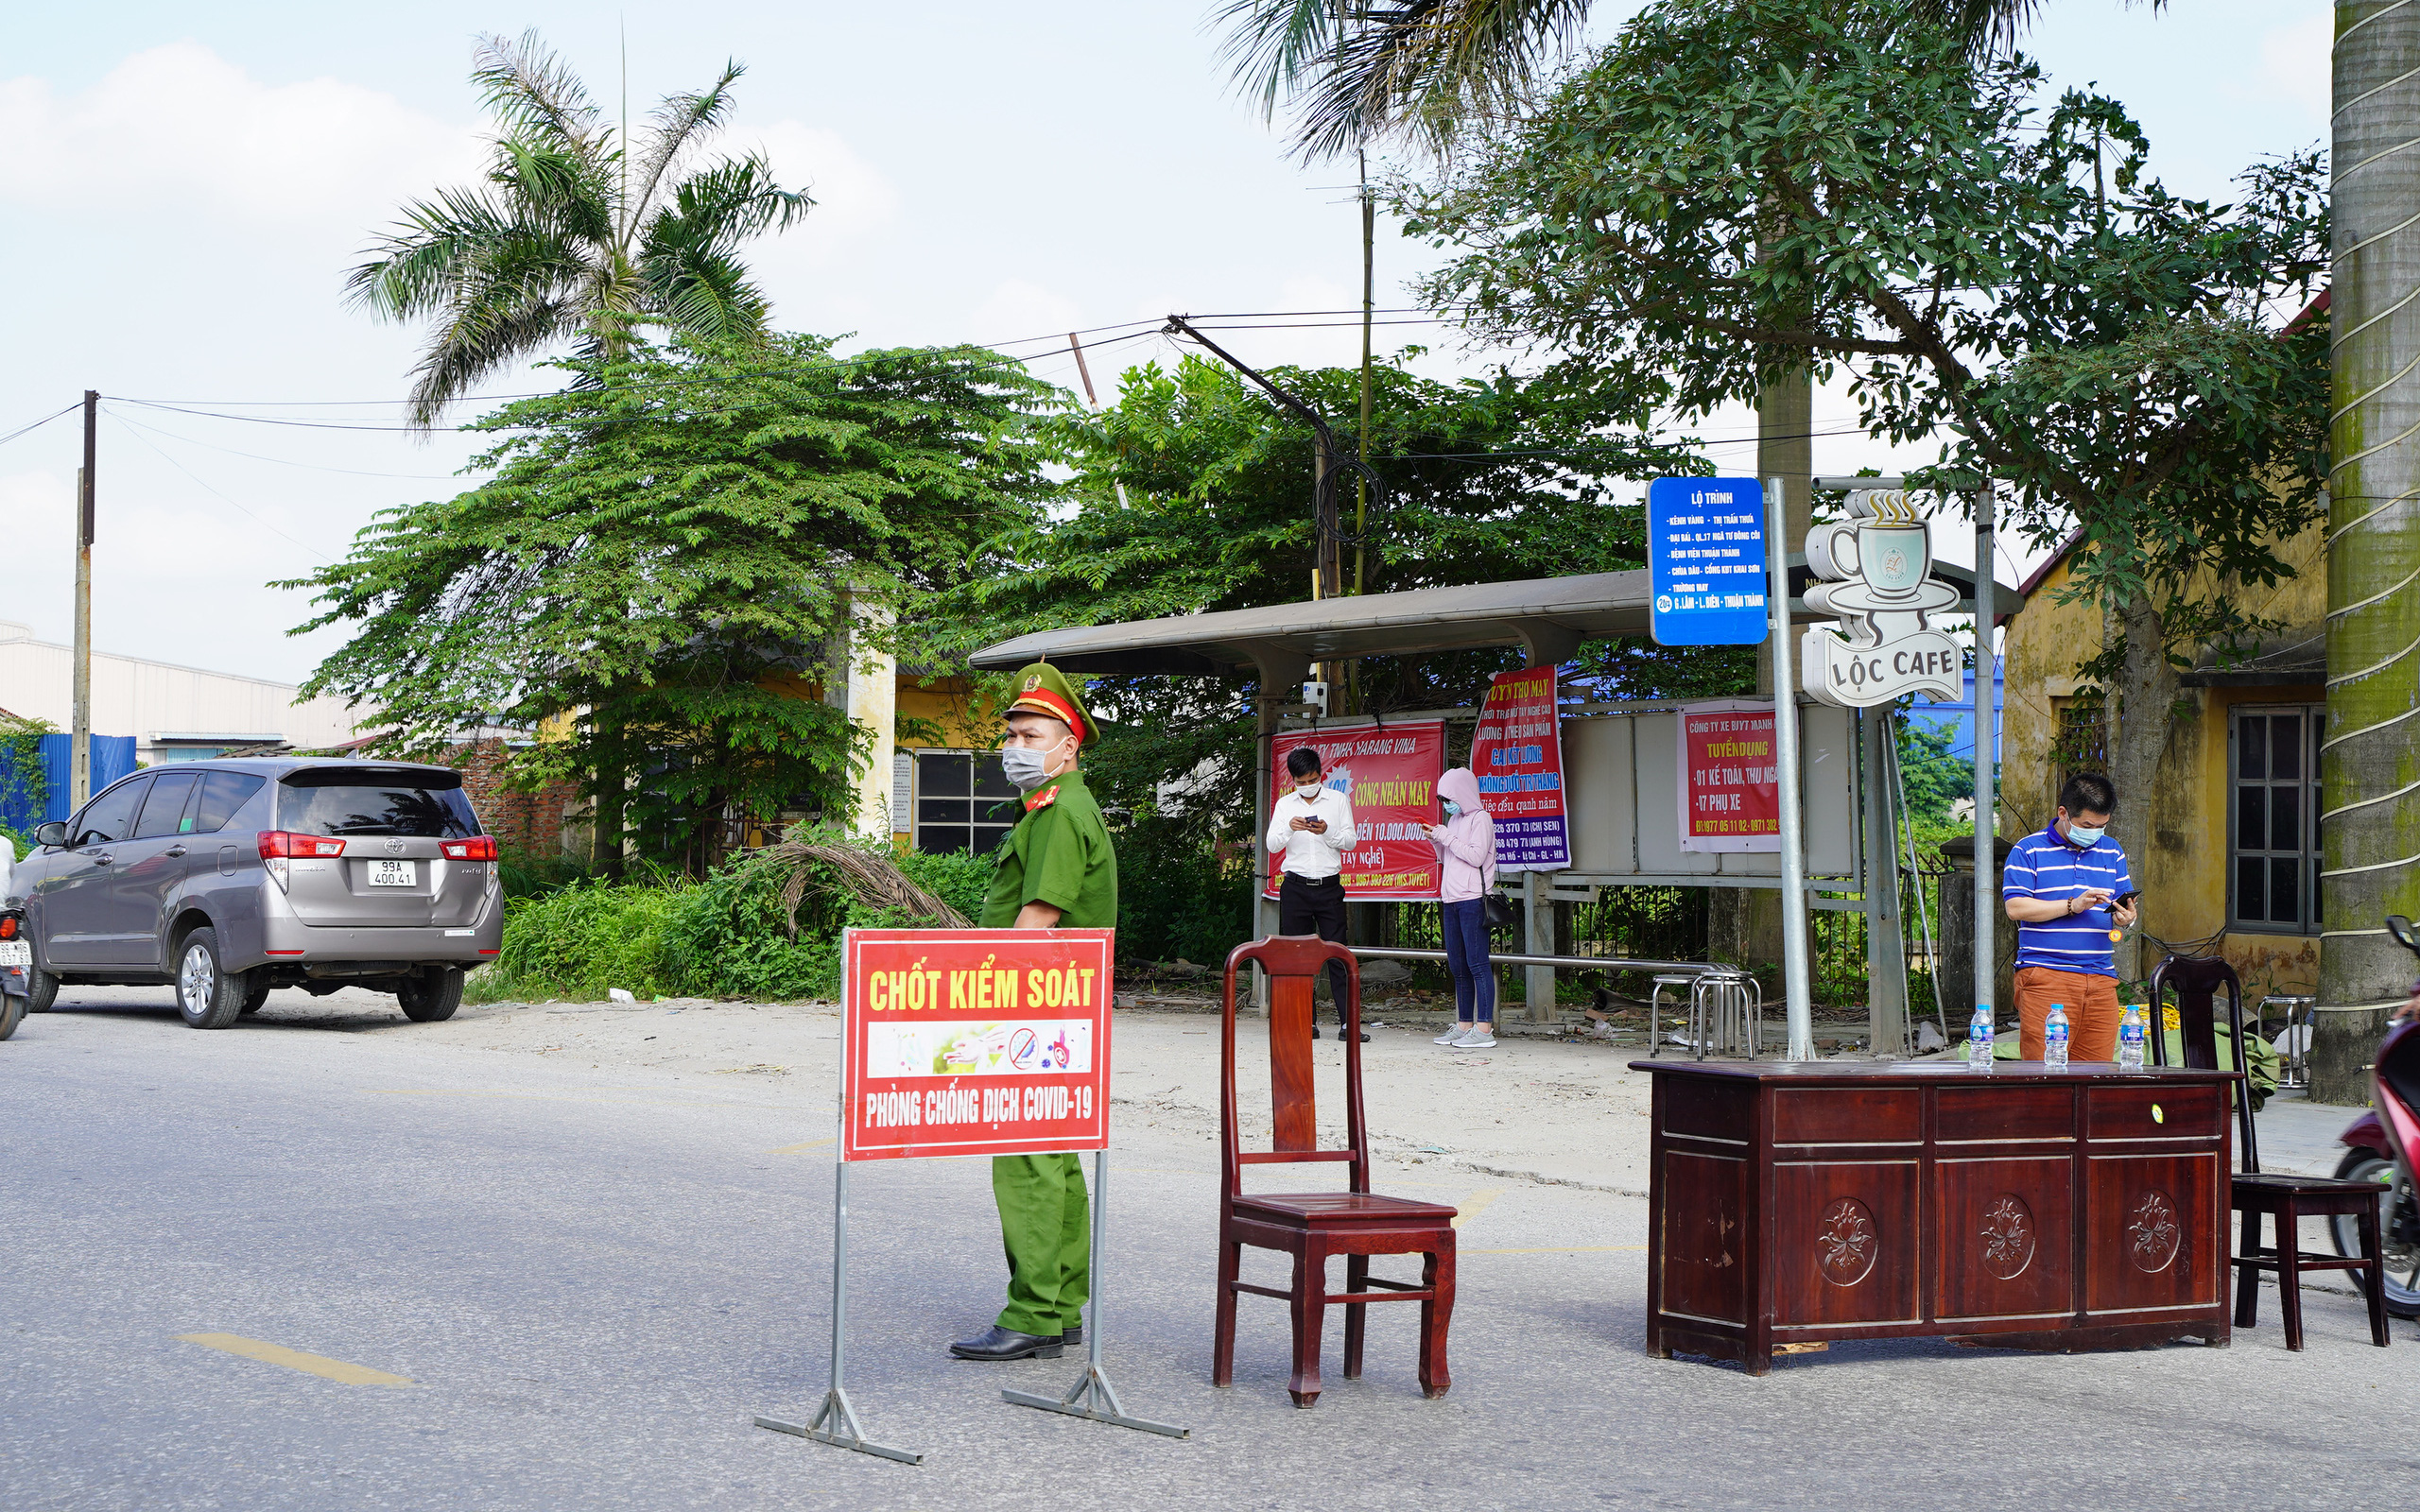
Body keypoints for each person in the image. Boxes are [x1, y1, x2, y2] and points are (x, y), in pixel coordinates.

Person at [948, 662, 1117, 1365]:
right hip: (1063, 1011)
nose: (1015, 744)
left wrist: (973, 1004)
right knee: (1056, 1160)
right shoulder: (1064, 806)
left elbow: (1036, 923)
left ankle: (1034, 1314)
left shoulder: (1058, 811)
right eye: (1011, 733)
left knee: (1028, 1164)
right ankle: (1060, 1304)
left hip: (1035, 1011)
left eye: (1031, 732)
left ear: (1068, 743)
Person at [2001, 772, 2139, 1063]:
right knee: (2044, 1074)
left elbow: (2122, 907)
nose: (2095, 832)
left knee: (2095, 1077)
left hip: (2102, 978)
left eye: (2102, 826)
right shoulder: (2028, 849)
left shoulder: (2112, 850)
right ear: (2063, 813)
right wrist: (2071, 905)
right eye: (2087, 825)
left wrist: (2126, 918)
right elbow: (2016, 908)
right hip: (2047, 976)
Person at [1265, 746, 1366, 1040]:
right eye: (1301, 782)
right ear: (1292, 780)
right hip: (1295, 887)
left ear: (1321, 775)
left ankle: (1349, 1024)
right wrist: (1289, 828)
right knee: (1297, 957)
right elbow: (1272, 844)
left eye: (1312, 779)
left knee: (1338, 953)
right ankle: (1303, 1021)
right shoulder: (1285, 805)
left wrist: (1326, 831)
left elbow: (1350, 841)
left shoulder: (1337, 799)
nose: (1308, 786)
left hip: (1328, 886)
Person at [1424, 767, 1498, 1050]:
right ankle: (1464, 1024)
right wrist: (1436, 840)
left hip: (1473, 899)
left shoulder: (1481, 819)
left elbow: (1476, 856)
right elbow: (1448, 856)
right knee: (1457, 965)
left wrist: (1445, 837)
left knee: (1477, 963)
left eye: (1449, 798)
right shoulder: (1453, 820)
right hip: (1451, 899)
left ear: (1462, 793)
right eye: (1442, 799)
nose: (1446, 804)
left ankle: (1484, 1028)